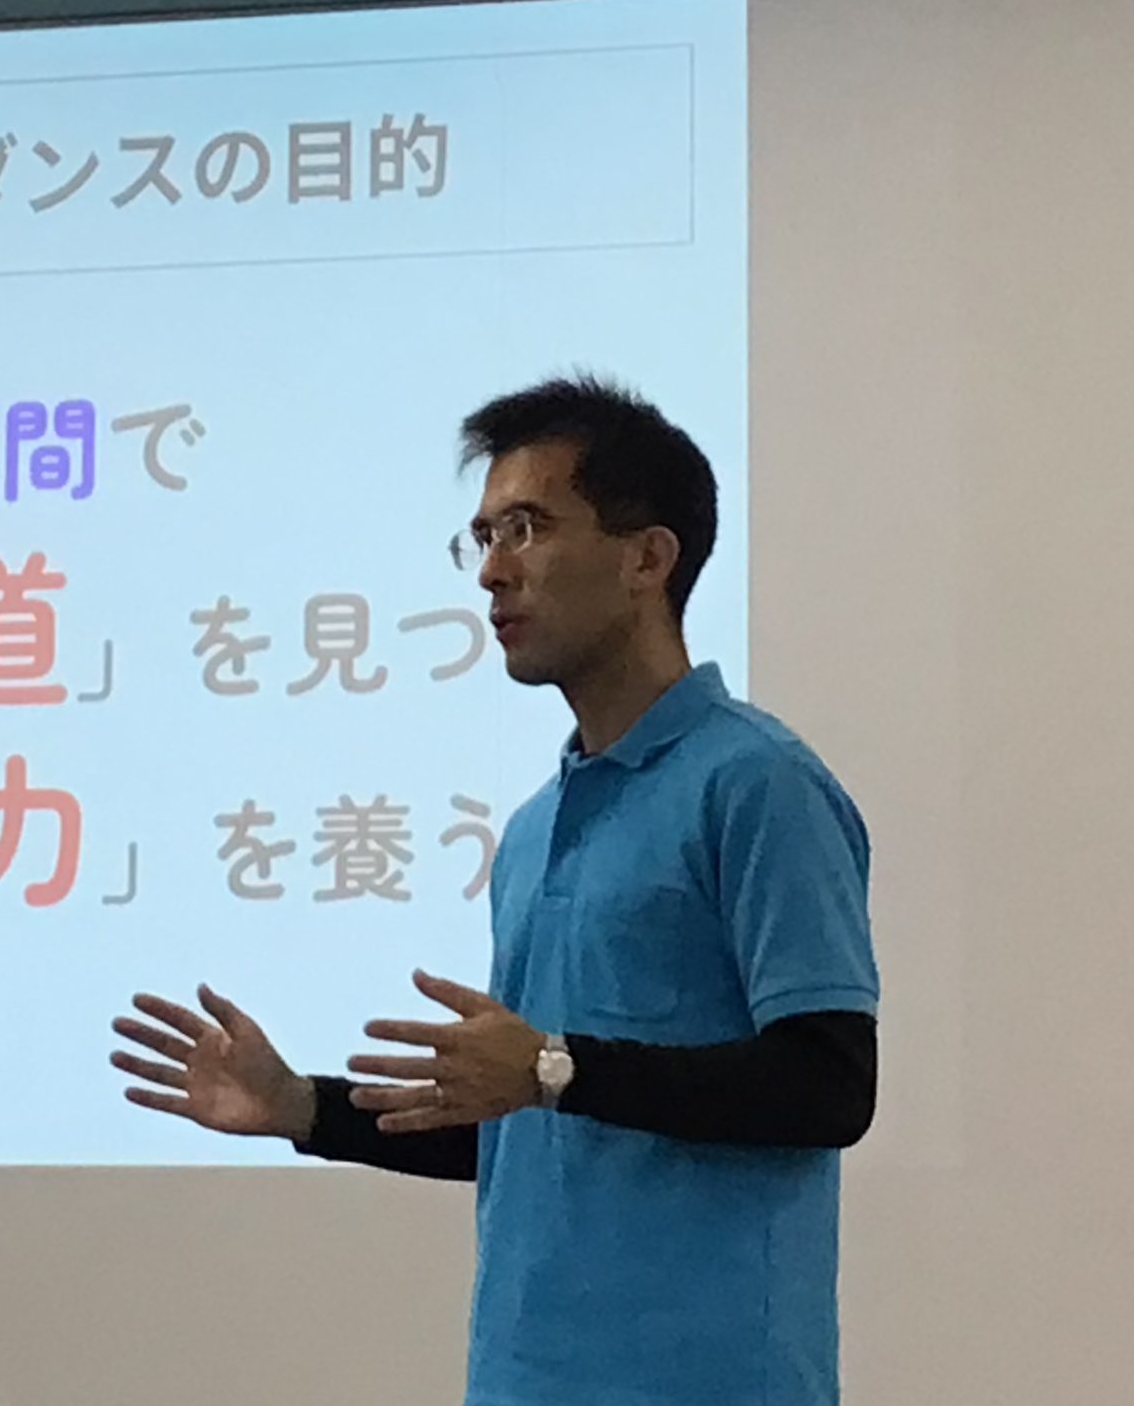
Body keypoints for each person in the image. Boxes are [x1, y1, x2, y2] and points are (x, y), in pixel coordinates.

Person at [110, 375, 878, 1406]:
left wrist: (556, 1067)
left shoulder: (756, 783)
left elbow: (829, 1086)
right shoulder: (529, 830)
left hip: (707, 1378)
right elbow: (531, 1128)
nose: (492, 572)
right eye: (481, 537)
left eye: (527, 528)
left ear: (648, 558)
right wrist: (303, 1108)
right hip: (525, 1376)